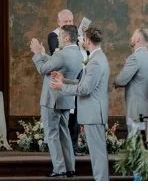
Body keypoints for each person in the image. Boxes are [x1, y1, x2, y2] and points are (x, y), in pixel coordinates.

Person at [50, 26, 111, 180]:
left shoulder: (96, 62)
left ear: (88, 41)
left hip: (93, 114)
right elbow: (83, 82)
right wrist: (65, 80)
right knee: (98, 153)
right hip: (94, 113)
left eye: (83, 38)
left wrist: (62, 87)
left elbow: (85, 89)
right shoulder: (97, 58)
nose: (80, 40)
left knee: (98, 154)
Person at [32, 24, 83, 177]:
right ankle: (69, 168)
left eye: (60, 36)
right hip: (66, 99)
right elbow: (54, 63)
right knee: (64, 133)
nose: (58, 39)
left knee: (52, 134)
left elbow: (43, 69)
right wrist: (43, 53)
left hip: (52, 99)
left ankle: (59, 169)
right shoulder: (78, 53)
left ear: (67, 38)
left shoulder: (61, 54)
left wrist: (36, 54)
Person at [114, 29, 148, 139]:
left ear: (137, 39)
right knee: (146, 142)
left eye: (133, 36)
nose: (131, 39)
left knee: (135, 144)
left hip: (136, 110)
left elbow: (121, 80)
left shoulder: (134, 58)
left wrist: (115, 82)